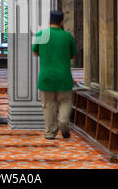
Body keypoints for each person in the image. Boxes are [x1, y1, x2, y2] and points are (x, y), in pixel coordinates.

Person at [32, 10, 78, 140]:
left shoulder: (41, 34)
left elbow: (35, 52)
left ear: (49, 21)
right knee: (65, 101)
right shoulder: (67, 36)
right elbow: (73, 55)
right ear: (62, 22)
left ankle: (50, 132)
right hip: (64, 78)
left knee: (48, 105)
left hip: (46, 77)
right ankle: (63, 122)